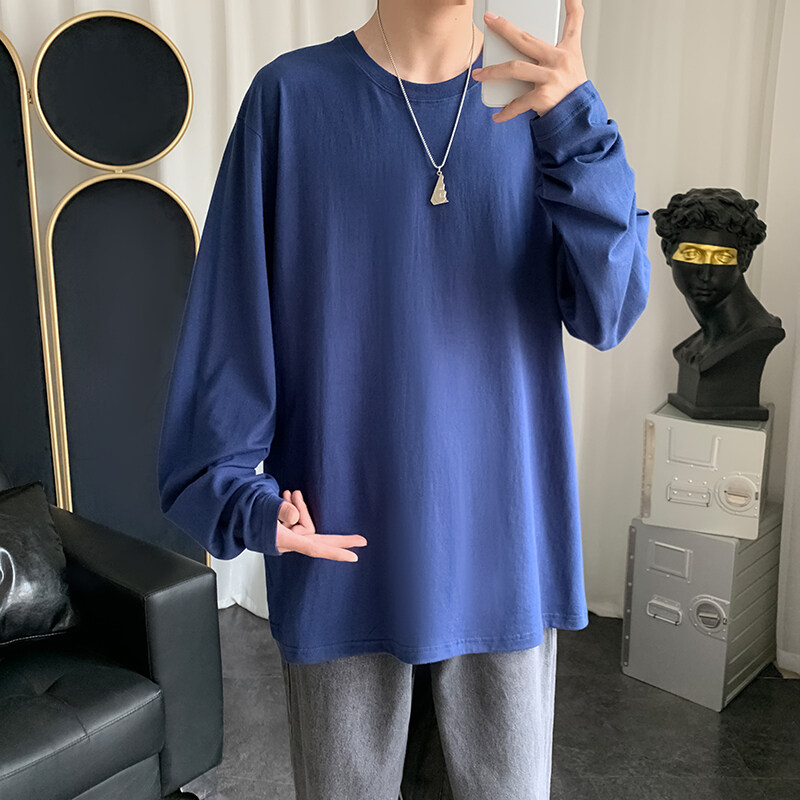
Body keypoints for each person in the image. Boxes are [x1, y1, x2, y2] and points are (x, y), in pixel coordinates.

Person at [157, 1, 651, 797]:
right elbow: (231, 322)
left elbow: (610, 309)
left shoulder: (543, 105)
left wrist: (579, 129)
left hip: (501, 553)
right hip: (342, 551)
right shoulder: (292, 100)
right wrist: (239, 498)